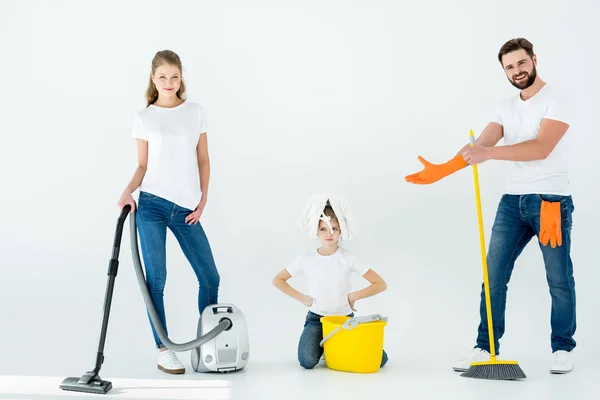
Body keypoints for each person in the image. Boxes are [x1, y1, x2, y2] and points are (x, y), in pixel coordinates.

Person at [405, 38, 576, 374]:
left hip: (551, 201)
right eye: (510, 67)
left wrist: (489, 154)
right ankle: (485, 346)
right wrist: (443, 169)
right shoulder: (505, 107)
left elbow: (541, 147)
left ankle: (562, 348)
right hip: (512, 203)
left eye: (521, 63)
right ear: (504, 71)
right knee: (493, 276)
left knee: (558, 278)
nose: (517, 71)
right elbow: (480, 144)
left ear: (534, 59)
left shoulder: (556, 99)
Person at [117, 50, 220, 374]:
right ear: (153, 79)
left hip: (187, 207)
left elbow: (203, 158)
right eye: (162, 77)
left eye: (174, 76)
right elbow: (143, 165)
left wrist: (203, 199)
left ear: (181, 78)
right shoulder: (144, 117)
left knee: (210, 277)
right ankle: (163, 349)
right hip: (152, 206)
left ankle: (208, 339)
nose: (169, 82)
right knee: (156, 280)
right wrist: (127, 191)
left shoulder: (195, 112)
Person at [272, 194, 389, 369]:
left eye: (334, 228)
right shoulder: (306, 259)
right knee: (307, 361)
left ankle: (335, 346)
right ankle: (332, 347)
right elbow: (278, 280)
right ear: (316, 231)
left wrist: (353, 296)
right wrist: (303, 298)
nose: (330, 234)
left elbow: (380, 284)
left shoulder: (347, 258)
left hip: (344, 320)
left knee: (380, 360)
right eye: (323, 229)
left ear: (341, 230)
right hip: (316, 319)